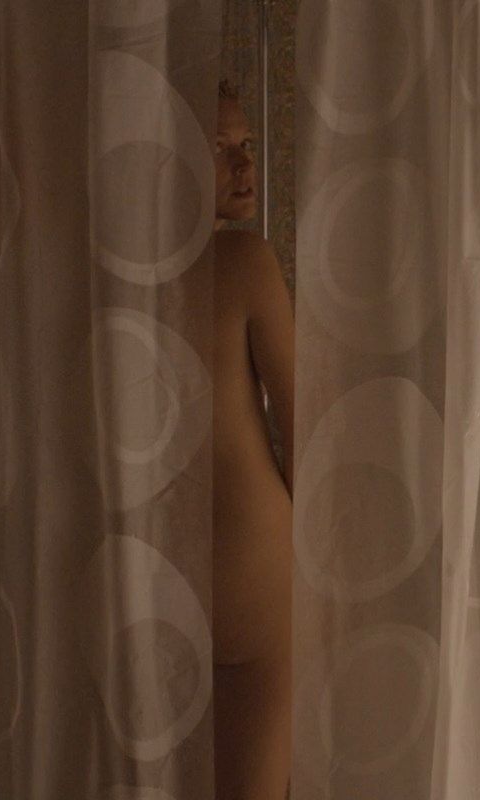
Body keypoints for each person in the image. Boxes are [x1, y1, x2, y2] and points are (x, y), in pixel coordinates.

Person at [211, 79, 293, 800]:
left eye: (247, 145)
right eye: (219, 148)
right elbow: (303, 425)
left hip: (143, 568)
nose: (244, 166)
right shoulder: (243, 263)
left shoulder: (102, 279)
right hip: (252, 574)